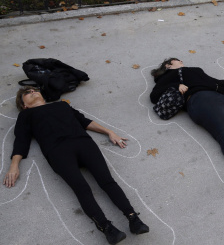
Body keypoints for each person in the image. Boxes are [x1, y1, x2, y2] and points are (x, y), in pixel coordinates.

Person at [3, 87, 149, 245]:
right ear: (24, 104)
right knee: (82, 189)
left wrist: (109, 132)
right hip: (58, 152)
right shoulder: (26, 115)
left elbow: (84, 121)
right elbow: (21, 140)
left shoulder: (62, 105)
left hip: (84, 144)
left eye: (34, 90)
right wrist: (14, 165)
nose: (32, 92)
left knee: (107, 181)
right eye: (27, 93)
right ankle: (107, 228)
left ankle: (133, 218)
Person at [150, 58, 224, 184]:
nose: (182, 61)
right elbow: (154, 96)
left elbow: (213, 81)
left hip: (221, 97)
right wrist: (176, 85)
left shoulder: (195, 70)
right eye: (177, 60)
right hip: (199, 101)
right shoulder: (168, 76)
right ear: (168, 65)